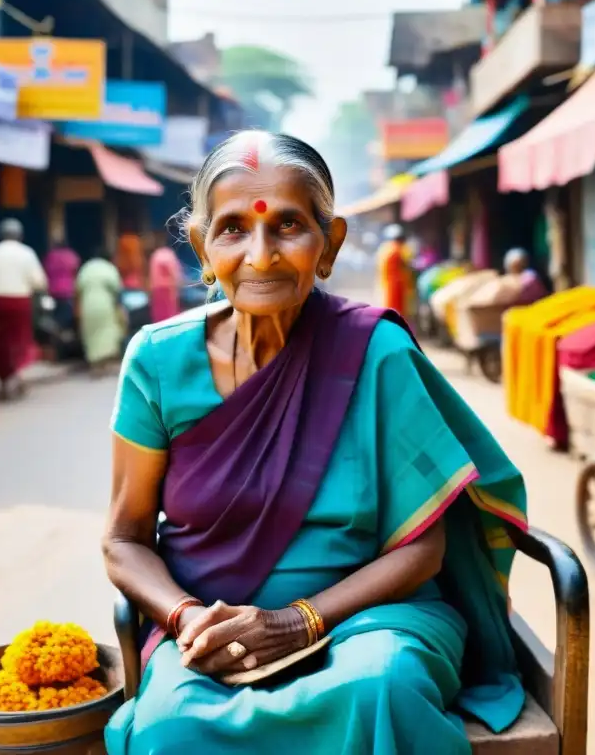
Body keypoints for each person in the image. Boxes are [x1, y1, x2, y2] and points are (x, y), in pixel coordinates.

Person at [103, 131, 529, 754]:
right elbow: (123, 539)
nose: (262, 254)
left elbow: (424, 548)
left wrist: (297, 621)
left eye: (289, 226)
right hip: (214, 636)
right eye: (232, 230)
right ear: (201, 246)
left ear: (329, 246)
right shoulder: (157, 362)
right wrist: (188, 618)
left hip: (371, 622)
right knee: (170, 726)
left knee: (380, 686)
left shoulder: (376, 352)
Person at [0, 219, 48, 398]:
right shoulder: (27, 253)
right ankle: (16, 374)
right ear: (20, 235)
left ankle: (5, 378)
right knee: (19, 339)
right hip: (20, 303)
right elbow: (39, 282)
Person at [77, 248, 126, 375]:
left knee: (91, 334)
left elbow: (77, 289)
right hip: (105, 305)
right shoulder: (109, 268)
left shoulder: (85, 268)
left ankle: (95, 364)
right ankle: (104, 363)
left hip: (87, 305)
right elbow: (117, 289)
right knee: (107, 332)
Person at [43, 236, 81, 336]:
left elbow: (46, 271)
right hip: (68, 292)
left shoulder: (50, 256)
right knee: (67, 320)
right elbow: (76, 270)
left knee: (54, 319)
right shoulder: (71, 256)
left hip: (53, 292)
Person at [376, 223, 413, 318]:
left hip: (386, 286)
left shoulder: (384, 249)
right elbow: (406, 267)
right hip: (397, 287)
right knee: (397, 314)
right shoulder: (397, 250)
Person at [148, 244, 184, 323]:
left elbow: (153, 277)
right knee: (171, 318)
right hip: (170, 290)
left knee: (159, 318)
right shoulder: (169, 254)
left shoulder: (156, 255)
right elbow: (176, 275)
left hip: (158, 290)